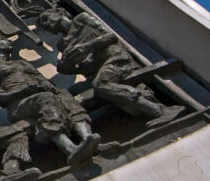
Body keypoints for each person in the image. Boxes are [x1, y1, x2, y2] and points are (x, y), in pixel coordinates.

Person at [38, 8, 183, 128]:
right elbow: (74, 68)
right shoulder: (62, 44)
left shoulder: (82, 20)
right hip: (96, 71)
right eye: (44, 26)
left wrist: (87, 47)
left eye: (46, 19)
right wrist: (67, 65)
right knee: (74, 94)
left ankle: (159, 110)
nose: (47, 24)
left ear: (58, 12)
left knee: (101, 84)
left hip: (116, 59)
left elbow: (110, 36)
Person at [0, 34, 100, 166]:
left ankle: (87, 139)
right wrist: (22, 91)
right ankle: (70, 149)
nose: (9, 40)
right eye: (2, 39)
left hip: (41, 96)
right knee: (45, 99)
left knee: (64, 95)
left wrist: (49, 86)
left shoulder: (21, 62)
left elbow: (43, 80)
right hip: (18, 105)